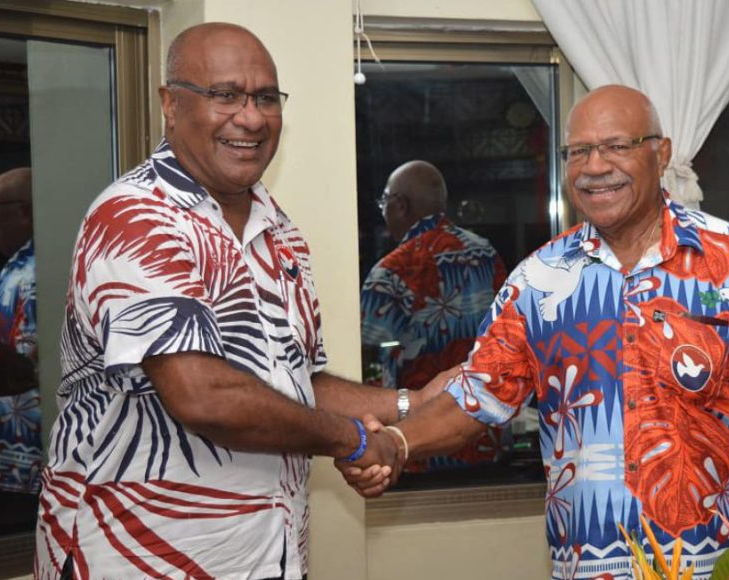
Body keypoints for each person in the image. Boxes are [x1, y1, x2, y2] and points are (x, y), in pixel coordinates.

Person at [342, 85, 729, 579]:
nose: (595, 166)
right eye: (578, 151)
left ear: (659, 154)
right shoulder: (538, 281)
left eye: (617, 146)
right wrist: (398, 445)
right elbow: (474, 397)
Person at [35, 23, 436, 579]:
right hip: (141, 555)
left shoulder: (280, 232)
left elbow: (295, 383)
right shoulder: (137, 216)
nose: (250, 117)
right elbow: (204, 396)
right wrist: (355, 439)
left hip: (264, 555)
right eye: (224, 95)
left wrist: (409, 405)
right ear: (170, 105)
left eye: (265, 97)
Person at [361, 160, 507, 469]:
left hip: (420, 440)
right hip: (482, 426)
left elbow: (369, 358)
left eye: (385, 202)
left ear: (400, 206)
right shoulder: (486, 254)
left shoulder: (390, 272)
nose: (383, 211)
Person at [0, 167, 41, 531]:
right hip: (3, 460)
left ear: (26, 211)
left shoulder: (34, 275)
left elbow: (25, 369)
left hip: (16, 462)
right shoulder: (16, 267)